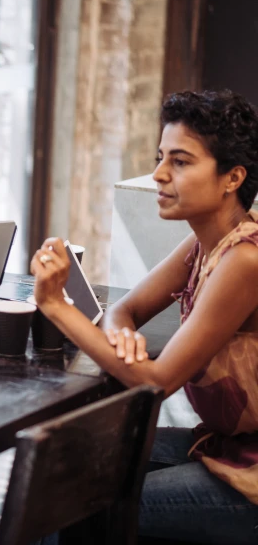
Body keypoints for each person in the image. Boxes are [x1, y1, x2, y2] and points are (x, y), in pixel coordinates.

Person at [31, 90, 258, 544]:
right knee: (60, 469)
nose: (158, 174)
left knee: (73, 500)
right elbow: (124, 309)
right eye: (160, 158)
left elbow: (156, 383)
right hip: (223, 448)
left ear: (232, 177)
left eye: (180, 162)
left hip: (250, 479)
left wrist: (56, 305)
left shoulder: (245, 262)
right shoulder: (205, 243)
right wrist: (124, 339)